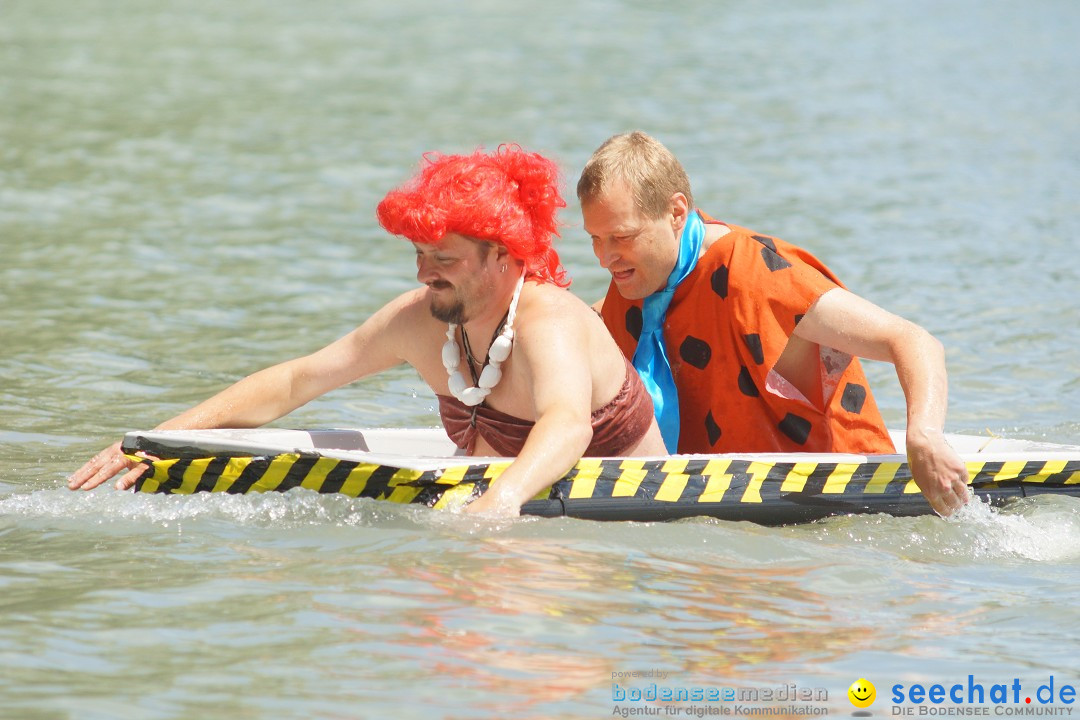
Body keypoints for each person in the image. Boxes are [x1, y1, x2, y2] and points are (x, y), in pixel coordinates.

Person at [68, 145, 666, 516]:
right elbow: (294, 381)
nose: (425, 272)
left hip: (634, 520)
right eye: (419, 254)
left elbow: (565, 425)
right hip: (498, 509)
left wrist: (499, 504)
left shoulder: (552, 320)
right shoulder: (418, 319)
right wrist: (154, 440)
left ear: (505, 256)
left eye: (445, 259)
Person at [576, 131, 970, 516]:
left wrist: (925, 434)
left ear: (676, 213)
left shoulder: (758, 274)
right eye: (595, 238)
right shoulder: (633, 286)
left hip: (852, 515)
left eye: (621, 236)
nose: (605, 257)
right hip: (723, 518)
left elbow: (913, 340)